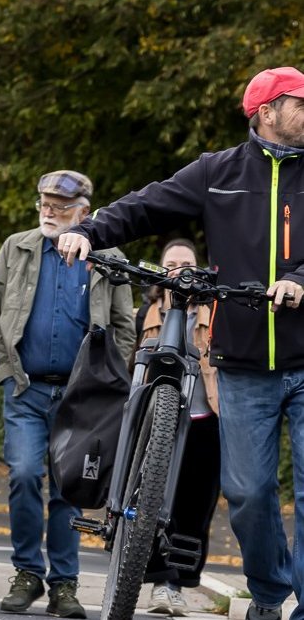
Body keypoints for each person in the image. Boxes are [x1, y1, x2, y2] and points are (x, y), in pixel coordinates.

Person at [56, 67, 304, 620]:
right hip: (241, 365)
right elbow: (148, 204)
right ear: (267, 111)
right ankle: (267, 593)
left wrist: (301, 278)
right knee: (247, 495)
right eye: (301, 104)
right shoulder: (218, 172)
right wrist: (90, 231)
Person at [0, 169, 136, 618]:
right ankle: (27, 573)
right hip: (26, 389)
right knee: (25, 475)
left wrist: (103, 384)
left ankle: (63, 586)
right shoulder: (18, 247)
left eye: (61, 206)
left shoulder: (108, 257)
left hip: (80, 399)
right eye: (44, 203)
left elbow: (125, 330)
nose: (49, 212)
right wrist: (7, 375)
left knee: (69, 489)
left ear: (85, 212)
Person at [133, 240, 219, 618]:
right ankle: (156, 582)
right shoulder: (146, 315)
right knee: (152, 500)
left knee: (195, 508)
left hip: (204, 424)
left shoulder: (215, 314)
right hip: (158, 423)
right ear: (160, 270)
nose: (180, 270)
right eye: (172, 263)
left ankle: (178, 585)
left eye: (187, 263)